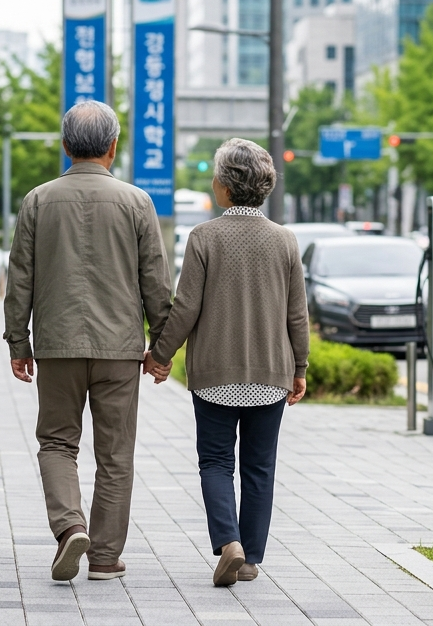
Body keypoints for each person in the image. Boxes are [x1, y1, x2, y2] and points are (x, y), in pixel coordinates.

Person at [2, 100, 174, 582]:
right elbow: (156, 283)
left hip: (55, 346)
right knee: (115, 454)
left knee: (57, 442)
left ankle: (68, 527)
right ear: (113, 148)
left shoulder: (37, 200)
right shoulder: (138, 202)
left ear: (64, 145)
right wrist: (160, 349)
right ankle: (103, 557)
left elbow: (20, 278)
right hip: (120, 348)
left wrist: (19, 341)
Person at [148, 138, 309, 587]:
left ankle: (228, 543)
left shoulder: (205, 237)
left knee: (216, 462)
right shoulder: (285, 240)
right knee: (260, 465)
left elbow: (185, 308)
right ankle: (252, 557)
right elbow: (297, 312)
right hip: (271, 374)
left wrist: (159, 356)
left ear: (223, 187)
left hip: (214, 375)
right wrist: (300, 367)